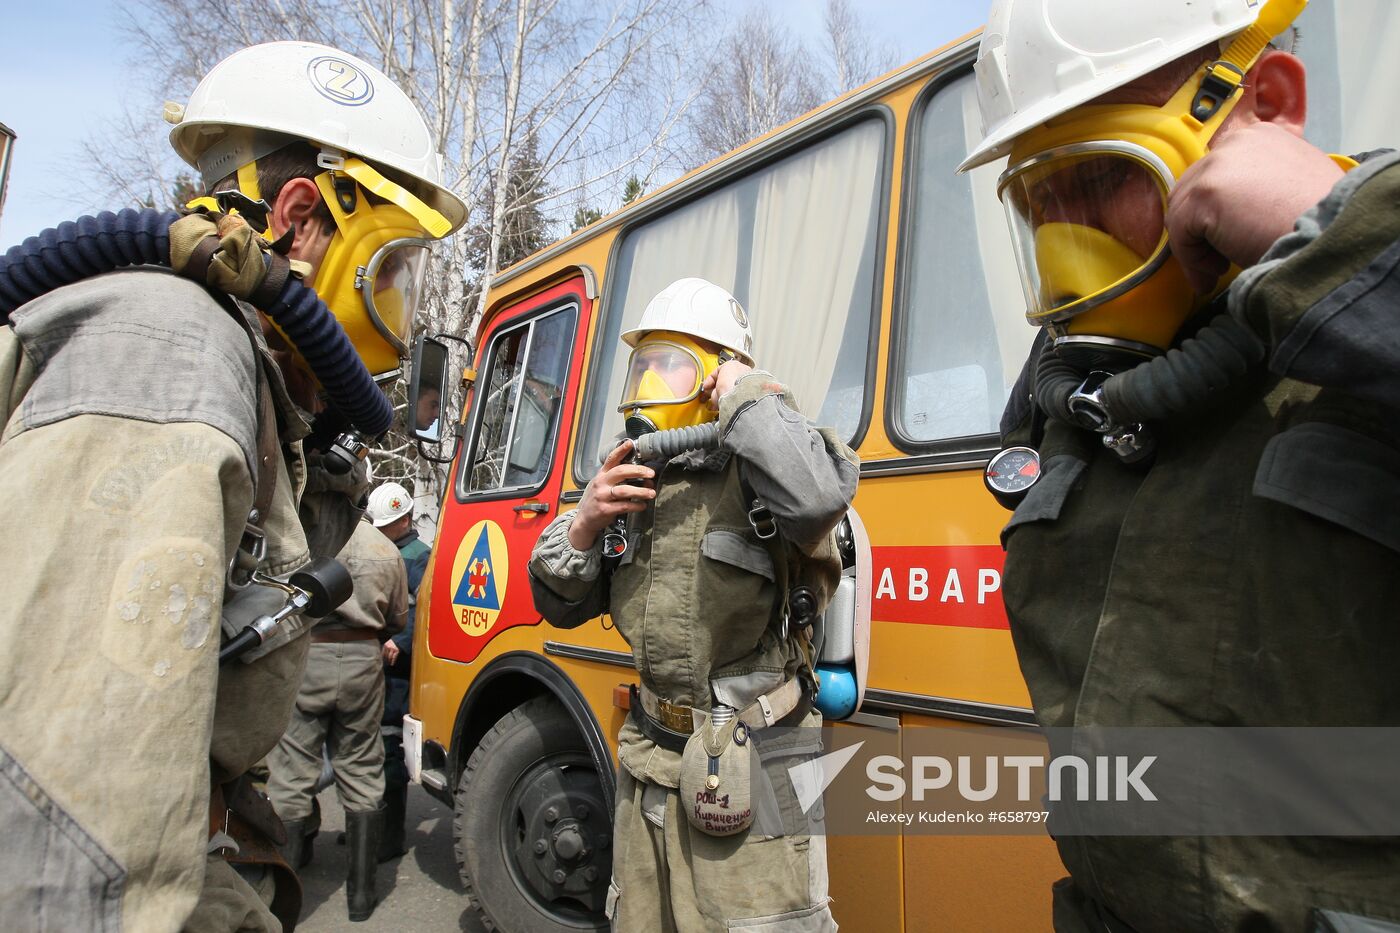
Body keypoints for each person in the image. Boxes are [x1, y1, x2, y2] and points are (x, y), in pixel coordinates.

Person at [0, 41, 465, 932]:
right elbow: (62, 832)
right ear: (299, 216)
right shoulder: (168, 352)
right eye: (395, 270)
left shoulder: (230, 369)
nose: (399, 315)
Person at [960, 1, 1400, 930]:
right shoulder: (1072, 392)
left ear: (1269, 109)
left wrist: (1339, 242)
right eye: (1040, 201)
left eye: (1098, 176)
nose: (1065, 240)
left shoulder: (1364, 297)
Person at [528, 277, 859, 931]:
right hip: (651, 759)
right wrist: (584, 523)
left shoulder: (766, 464)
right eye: (642, 365)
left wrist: (749, 392)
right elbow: (559, 605)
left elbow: (820, 493)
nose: (649, 382)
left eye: (670, 364)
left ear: (714, 375)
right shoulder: (634, 480)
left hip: (755, 760)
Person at [266, 514, 409, 921]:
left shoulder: (298, 536)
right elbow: (398, 617)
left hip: (307, 654)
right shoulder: (383, 547)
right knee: (363, 767)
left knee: (292, 773)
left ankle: (283, 909)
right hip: (364, 658)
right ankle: (361, 900)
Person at [366, 480, 432, 861]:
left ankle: (387, 838)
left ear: (404, 519)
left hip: (397, 669)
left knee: (389, 749)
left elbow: (422, 607)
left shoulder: (420, 556)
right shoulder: (381, 550)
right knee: (365, 749)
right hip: (371, 663)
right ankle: (366, 828)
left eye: (387, 524)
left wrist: (400, 641)